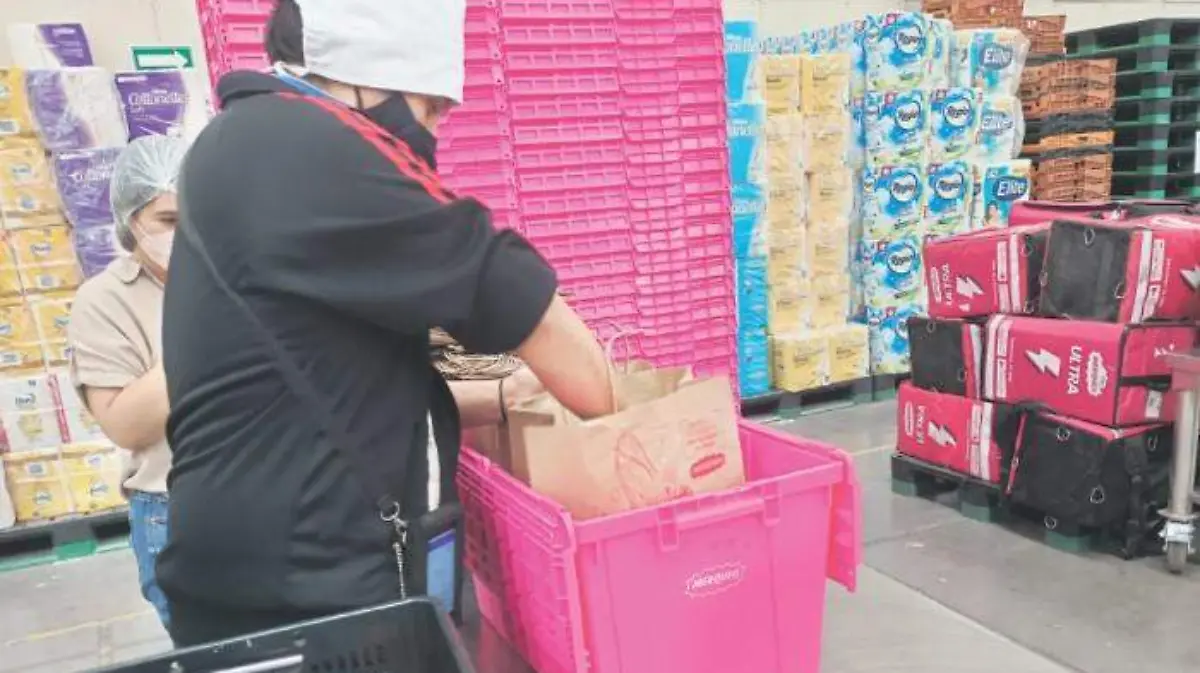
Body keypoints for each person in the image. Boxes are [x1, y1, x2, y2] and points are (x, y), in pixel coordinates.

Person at [156, 0, 615, 646]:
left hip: (265, 584)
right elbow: (501, 281)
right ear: (366, 78)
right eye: (430, 111)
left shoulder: (244, 142)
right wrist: (622, 422)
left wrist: (504, 395)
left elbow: (343, 387)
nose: (431, 136)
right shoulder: (307, 146)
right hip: (317, 606)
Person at [67, 134, 189, 630]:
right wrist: (204, 326)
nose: (187, 233)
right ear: (131, 220)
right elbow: (127, 426)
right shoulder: (103, 301)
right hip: (174, 509)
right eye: (169, 221)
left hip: (267, 492)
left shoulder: (239, 274)